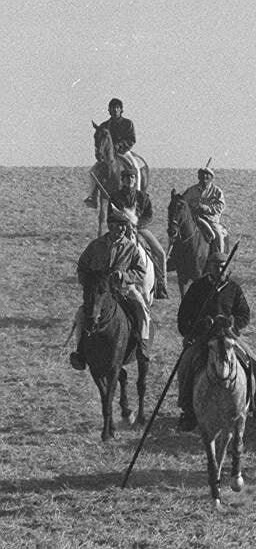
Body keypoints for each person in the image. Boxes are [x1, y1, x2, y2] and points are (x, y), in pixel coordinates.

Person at [175, 251, 256, 431]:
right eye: (215, 265)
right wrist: (198, 326)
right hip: (204, 337)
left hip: (229, 335)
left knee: (255, 362)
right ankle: (187, 410)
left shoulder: (234, 289)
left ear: (227, 268)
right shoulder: (197, 288)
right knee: (185, 364)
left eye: (222, 266)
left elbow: (244, 314)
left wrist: (233, 323)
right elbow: (184, 316)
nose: (219, 269)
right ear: (209, 267)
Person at [69, 208, 151, 370]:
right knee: (81, 314)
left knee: (142, 308)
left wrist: (124, 276)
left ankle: (142, 345)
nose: (121, 230)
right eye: (118, 226)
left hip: (124, 291)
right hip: (100, 293)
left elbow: (141, 271)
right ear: (109, 226)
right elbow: (82, 267)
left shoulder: (130, 248)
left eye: (124, 226)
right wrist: (89, 283)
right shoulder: (95, 246)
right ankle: (80, 351)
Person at [110, 165, 168, 299]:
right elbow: (110, 216)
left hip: (140, 229)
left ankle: (161, 285)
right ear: (122, 180)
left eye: (132, 177)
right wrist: (120, 225)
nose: (129, 180)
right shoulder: (115, 197)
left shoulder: (142, 196)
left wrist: (138, 224)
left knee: (160, 253)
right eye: (126, 178)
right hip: (121, 231)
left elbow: (149, 215)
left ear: (135, 180)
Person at [85, 98, 138, 208]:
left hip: (123, 152)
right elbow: (100, 140)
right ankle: (92, 196)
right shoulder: (104, 125)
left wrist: (119, 145)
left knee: (136, 168)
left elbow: (132, 139)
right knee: (92, 172)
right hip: (108, 155)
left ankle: (137, 194)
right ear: (109, 110)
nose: (114, 110)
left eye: (117, 107)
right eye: (112, 107)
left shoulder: (128, 123)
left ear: (121, 109)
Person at [180, 166, 227, 253]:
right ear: (198, 176)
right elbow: (183, 204)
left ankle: (219, 259)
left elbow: (221, 206)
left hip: (210, 220)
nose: (204, 176)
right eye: (202, 174)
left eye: (207, 175)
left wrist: (208, 209)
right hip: (193, 219)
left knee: (218, 235)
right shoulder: (191, 190)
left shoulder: (217, 191)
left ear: (211, 177)